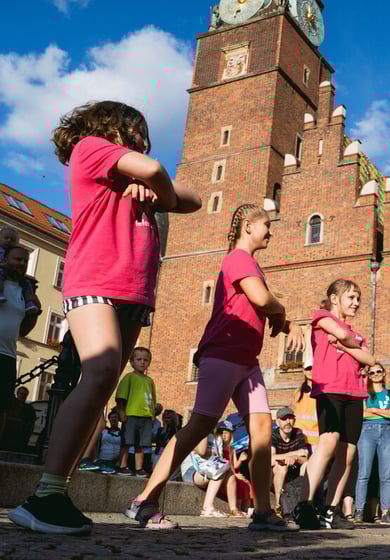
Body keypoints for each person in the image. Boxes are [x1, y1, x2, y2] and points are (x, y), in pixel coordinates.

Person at [8, 100, 201, 535]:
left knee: (100, 386)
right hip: (95, 277)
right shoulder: (91, 147)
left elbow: (195, 198)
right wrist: (153, 183)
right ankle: (45, 496)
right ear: (116, 128)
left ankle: (55, 492)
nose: (146, 141)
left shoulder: (138, 177)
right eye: (139, 131)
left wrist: (158, 194)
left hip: (134, 290)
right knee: (95, 376)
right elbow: (153, 169)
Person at [126, 203, 303, 531]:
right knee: (198, 427)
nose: (271, 231)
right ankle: (144, 501)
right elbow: (263, 299)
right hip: (221, 354)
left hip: (247, 362)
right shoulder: (238, 259)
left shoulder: (251, 265)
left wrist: (283, 319)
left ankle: (263, 512)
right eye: (266, 224)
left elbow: (264, 300)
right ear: (248, 226)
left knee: (263, 431)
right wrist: (281, 313)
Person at [292, 279, 376, 530]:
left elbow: (369, 359)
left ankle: (331, 510)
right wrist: (350, 344)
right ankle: (305, 504)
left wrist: (344, 346)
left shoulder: (357, 333)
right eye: (351, 298)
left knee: (348, 453)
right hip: (330, 388)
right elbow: (341, 333)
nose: (356, 303)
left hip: (355, 393)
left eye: (359, 299)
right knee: (328, 442)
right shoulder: (322, 317)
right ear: (335, 298)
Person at [0, 245, 40, 461]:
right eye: (17, 259)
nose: (21, 264)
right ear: (5, 259)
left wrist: (36, 312)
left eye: (25, 261)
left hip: (6, 354)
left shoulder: (24, 292)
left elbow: (23, 331)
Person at [355, 364, 390, 525]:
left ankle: (385, 512)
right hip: (367, 432)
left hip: (386, 432)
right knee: (364, 472)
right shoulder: (364, 394)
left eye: (379, 371)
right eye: (372, 373)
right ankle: (359, 510)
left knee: (385, 475)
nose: (375, 374)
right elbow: (362, 414)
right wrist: (381, 411)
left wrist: (373, 411)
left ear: (384, 373)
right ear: (368, 376)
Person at [115, 347, 157, 477]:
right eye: (139, 359)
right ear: (132, 362)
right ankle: (122, 466)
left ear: (149, 362)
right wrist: (122, 411)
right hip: (131, 415)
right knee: (127, 442)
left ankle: (139, 469)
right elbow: (121, 397)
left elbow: (153, 399)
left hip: (146, 417)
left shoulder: (150, 381)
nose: (142, 362)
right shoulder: (129, 377)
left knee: (141, 444)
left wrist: (152, 415)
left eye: (146, 360)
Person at [0, 227, 38, 313]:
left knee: (26, 283)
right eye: (6, 238)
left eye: (12, 240)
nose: (9, 240)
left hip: (8, 271)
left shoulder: (13, 253)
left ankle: (29, 302)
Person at [271, 408, 309, 514]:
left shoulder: (298, 433)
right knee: (281, 468)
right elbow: (271, 458)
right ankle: (279, 505)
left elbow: (305, 456)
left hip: (294, 470)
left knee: (307, 465)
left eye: (291, 418)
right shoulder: (273, 435)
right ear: (277, 421)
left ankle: (304, 504)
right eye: (284, 419)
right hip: (273, 474)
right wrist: (292, 454)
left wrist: (295, 458)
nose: (288, 422)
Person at [291, 359, 319, 451]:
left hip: (315, 440)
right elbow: (292, 412)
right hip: (298, 439)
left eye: (313, 369)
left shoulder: (321, 393)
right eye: (308, 369)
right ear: (304, 371)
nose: (311, 371)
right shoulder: (298, 392)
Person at [0, 386, 37, 453]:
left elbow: (31, 424)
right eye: (21, 394)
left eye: (25, 394)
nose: (23, 396)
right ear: (17, 394)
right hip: (6, 437)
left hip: (19, 439)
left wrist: (27, 436)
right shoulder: (9, 405)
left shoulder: (29, 409)